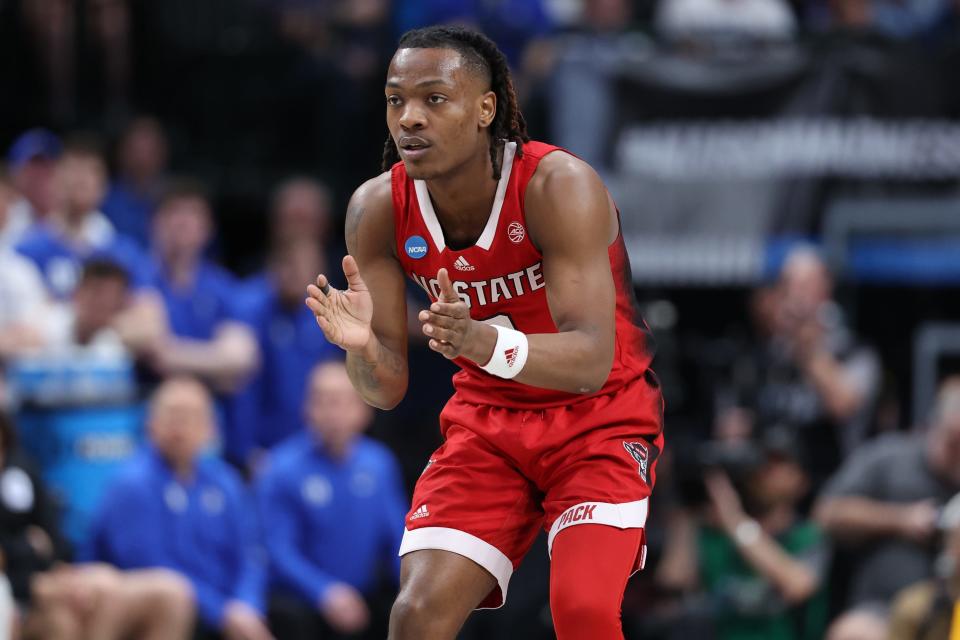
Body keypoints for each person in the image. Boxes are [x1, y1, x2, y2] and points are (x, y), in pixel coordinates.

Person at [305, 25, 663, 640]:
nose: (410, 118)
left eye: (433, 99)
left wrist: (479, 344)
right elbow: (385, 391)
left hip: (598, 417)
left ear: (486, 108)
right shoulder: (377, 209)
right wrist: (363, 349)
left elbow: (590, 360)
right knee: (415, 616)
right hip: (490, 423)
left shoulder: (558, 185)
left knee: (580, 611)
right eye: (396, 100)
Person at [84, 376, 272, 640]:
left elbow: (251, 553)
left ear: (211, 429)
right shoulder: (131, 485)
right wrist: (223, 612)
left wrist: (247, 604)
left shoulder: (225, 481)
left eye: (191, 417)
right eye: (172, 416)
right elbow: (148, 565)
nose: (180, 427)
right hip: (159, 616)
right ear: (150, 424)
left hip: (226, 612)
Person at [256, 361, 406, 639]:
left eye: (341, 402)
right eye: (321, 401)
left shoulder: (379, 463)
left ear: (364, 410)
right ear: (306, 408)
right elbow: (277, 550)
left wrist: (412, 588)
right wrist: (323, 591)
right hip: (302, 601)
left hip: (364, 597)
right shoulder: (280, 468)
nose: (331, 412)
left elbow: (398, 538)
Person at [813, 377, 960, 640]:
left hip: (953, 610)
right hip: (882, 611)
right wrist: (900, 519)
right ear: (934, 426)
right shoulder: (889, 457)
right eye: (954, 442)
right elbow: (827, 512)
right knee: (852, 634)